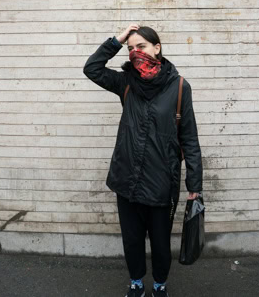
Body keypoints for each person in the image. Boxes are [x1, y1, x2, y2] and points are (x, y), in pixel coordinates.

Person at [83, 24, 203, 297]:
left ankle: (160, 285)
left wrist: (194, 183)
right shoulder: (126, 83)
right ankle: (136, 282)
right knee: (132, 241)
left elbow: (190, 139)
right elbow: (92, 69)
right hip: (127, 181)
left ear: (157, 48)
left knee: (161, 245)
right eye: (131, 48)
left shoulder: (180, 87)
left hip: (161, 183)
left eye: (142, 46)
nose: (136, 52)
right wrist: (117, 40)